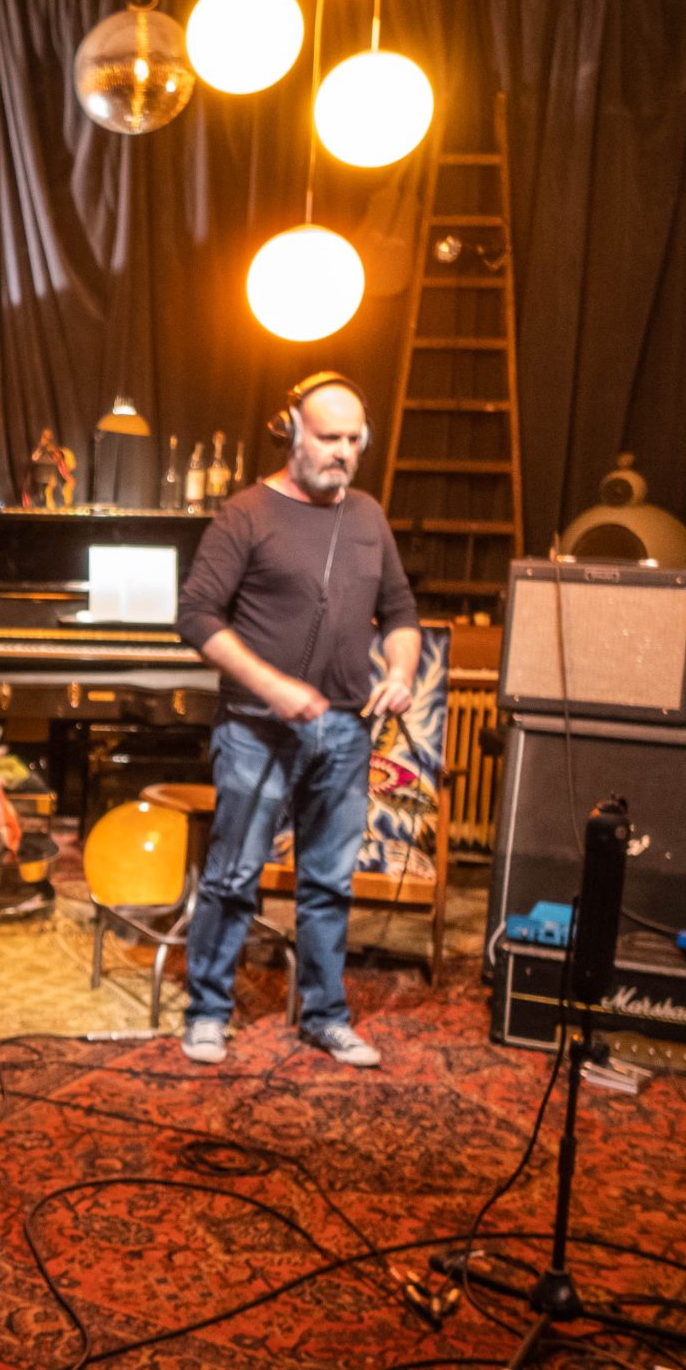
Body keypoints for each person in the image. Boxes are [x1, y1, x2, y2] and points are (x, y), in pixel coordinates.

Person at [171, 373, 421, 1069]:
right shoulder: (246, 514)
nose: (343, 452)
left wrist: (400, 672)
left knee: (329, 884)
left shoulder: (368, 517)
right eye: (329, 437)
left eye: (353, 439)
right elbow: (195, 615)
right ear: (292, 432)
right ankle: (208, 1013)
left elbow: (401, 613)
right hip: (256, 728)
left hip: (345, 731)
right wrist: (273, 686)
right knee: (233, 877)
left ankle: (325, 1017)